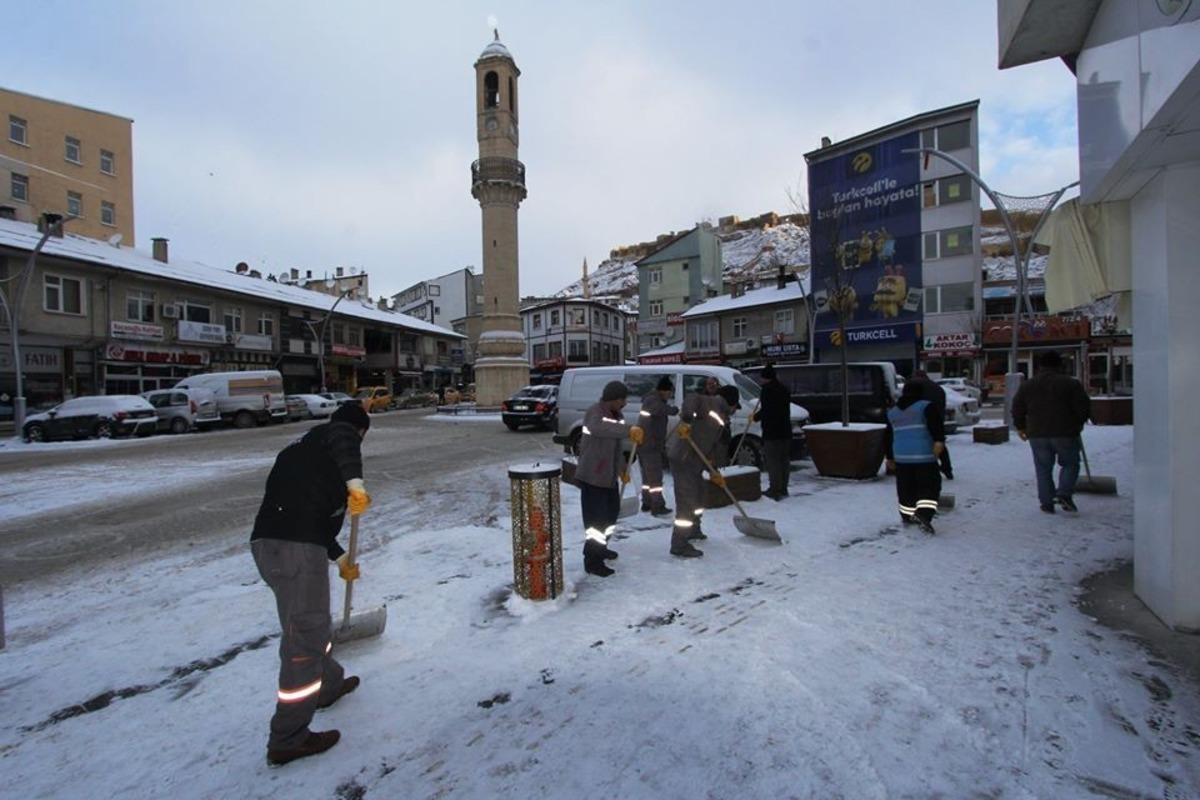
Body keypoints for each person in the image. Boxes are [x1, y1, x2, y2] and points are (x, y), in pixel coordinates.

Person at [250, 402, 373, 766]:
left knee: (310, 626)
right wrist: (356, 483)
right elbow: (343, 435)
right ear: (359, 431)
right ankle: (288, 738)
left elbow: (308, 514)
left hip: (272, 546)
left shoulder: (302, 453)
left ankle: (328, 686)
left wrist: (340, 557)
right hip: (295, 551)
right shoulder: (338, 436)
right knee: (304, 641)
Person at [575, 380, 644, 577]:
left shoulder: (617, 416)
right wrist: (629, 430)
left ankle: (601, 548)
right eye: (622, 399)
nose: (625, 403)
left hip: (609, 477)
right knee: (595, 522)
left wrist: (622, 468)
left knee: (610, 516)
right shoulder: (595, 412)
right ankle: (592, 561)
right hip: (593, 476)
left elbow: (616, 446)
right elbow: (599, 428)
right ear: (612, 398)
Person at [1012, 351, 1092, 513]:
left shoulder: (1028, 385)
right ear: (1059, 365)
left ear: (1040, 366)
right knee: (1070, 464)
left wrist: (1020, 426)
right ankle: (1064, 493)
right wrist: (1079, 422)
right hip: (1065, 432)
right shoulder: (1071, 384)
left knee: (1043, 468)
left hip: (1037, 433)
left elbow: (1017, 407)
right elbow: (1083, 407)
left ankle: (1046, 502)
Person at [666, 378, 731, 558]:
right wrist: (687, 420)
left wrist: (713, 471)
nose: (734, 411)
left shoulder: (722, 419)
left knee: (700, 496)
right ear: (730, 403)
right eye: (735, 407)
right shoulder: (710, 403)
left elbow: (711, 447)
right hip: (683, 458)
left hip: (696, 461)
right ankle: (679, 544)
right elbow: (691, 399)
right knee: (687, 501)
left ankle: (694, 528)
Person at [884, 380, 946, 534]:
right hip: (924, 455)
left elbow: (888, 436)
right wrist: (939, 441)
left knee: (906, 487)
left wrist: (890, 457)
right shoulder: (925, 406)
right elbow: (936, 427)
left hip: (901, 456)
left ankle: (907, 514)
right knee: (929, 486)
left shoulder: (893, 412)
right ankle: (924, 513)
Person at [638, 376, 678, 515]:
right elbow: (660, 410)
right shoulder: (654, 401)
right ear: (663, 390)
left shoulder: (651, 399)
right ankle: (657, 505)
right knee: (655, 477)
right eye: (669, 392)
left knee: (647, 477)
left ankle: (647, 502)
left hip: (647, 444)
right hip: (650, 445)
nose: (670, 395)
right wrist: (674, 410)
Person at [754, 365, 792, 500]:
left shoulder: (767, 390)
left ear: (766, 378)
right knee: (784, 461)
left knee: (773, 461)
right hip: (785, 430)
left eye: (762, 378)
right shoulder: (784, 389)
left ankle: (775, 489)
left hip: (772, 432)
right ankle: (783, 488)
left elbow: (767, 410)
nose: (760, 380)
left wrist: (755, 417)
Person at [909, 370, 953, 480]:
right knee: (939, 443)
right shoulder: (938, 388)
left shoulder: (915, 388)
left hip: (921, 419)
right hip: (937, 419)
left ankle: (929, 469)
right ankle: (947, 469)